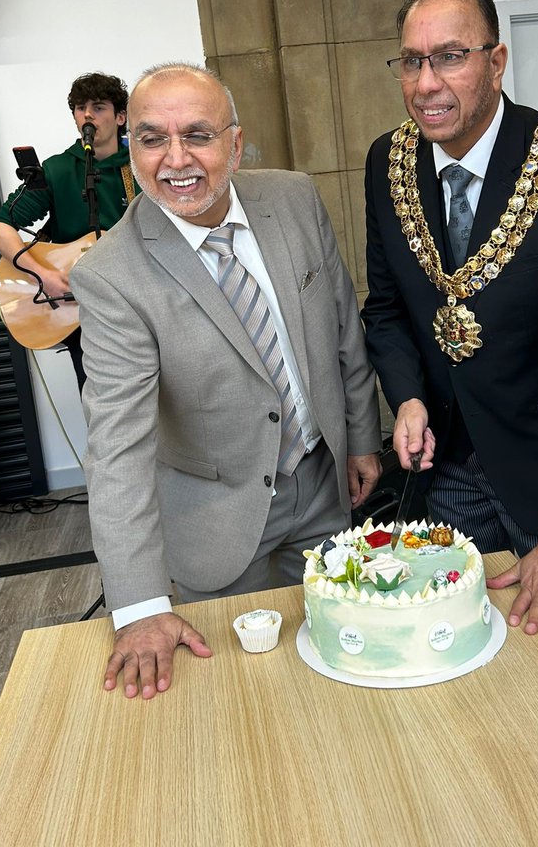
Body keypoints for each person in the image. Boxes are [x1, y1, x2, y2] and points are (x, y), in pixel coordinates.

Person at [69, 63, 382, 698]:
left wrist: (361, 437)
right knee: (247, 695)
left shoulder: (294, 198)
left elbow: (343, 325)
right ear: (131, 147)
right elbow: (118, 450)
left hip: (325, 489)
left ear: (235, 145)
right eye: (153, 138)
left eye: (198, 135)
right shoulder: (110, 277)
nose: (174, 159)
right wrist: (138, 607)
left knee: (347, 659)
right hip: (219, 521)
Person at [362, 0, 538, 638]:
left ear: (496, 60)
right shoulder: (388, 162)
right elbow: (387, 308)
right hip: (445, 459)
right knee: (442, 637)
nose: (426, 82)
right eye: (412, 61)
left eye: (450, 56)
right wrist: (407, 399)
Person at [0, 71, 136, 390]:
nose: (87, 115)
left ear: (120, 116)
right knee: (100, 406)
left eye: (98, 107)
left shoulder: (141, 168)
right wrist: (44, 276)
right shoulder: (57, 169)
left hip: (136, 310)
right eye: (80, 108)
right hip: (81, 316)